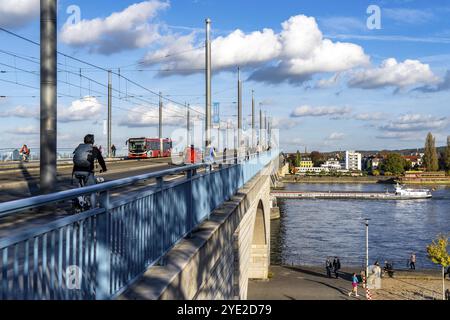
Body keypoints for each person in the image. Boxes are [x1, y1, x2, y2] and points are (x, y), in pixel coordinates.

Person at [73, 134, 107, 199]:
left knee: (79, 191)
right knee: (92, 191)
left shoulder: (79, 148)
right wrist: (104, 168)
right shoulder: (94, 149)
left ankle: (79, 201)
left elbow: (75, 159)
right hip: (88, 172)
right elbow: (101, 160)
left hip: (76, 171)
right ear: (92, 141)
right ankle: (93, 208)